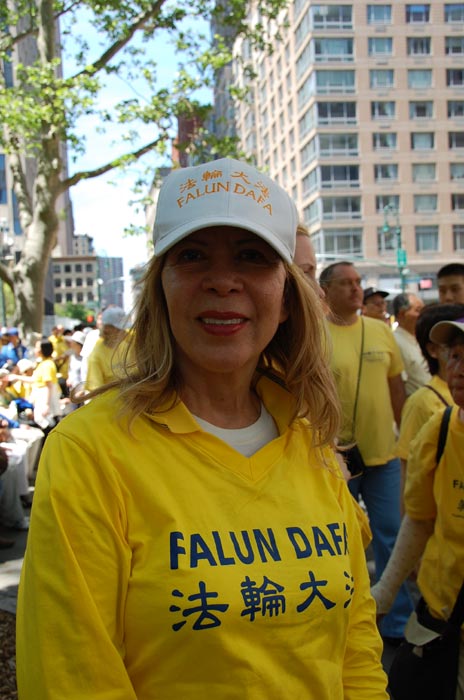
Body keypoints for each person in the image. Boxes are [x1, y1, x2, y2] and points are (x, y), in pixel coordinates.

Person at [17, 158, 388, 699]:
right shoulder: (90, 451)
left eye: (252, 257)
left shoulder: (310, 440)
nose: (222, 281)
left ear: (286, 298)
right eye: (192, 256)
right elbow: (68, 674)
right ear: (161, 289)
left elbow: (355, 644)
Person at [319, 261, 412, 645]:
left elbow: (396, 389)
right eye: (346, 283)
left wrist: (406, 439)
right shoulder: (315, 334)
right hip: (335, 460)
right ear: (325, 290)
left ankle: (396, 621)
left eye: (358, 282)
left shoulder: (380, 330)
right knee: (339, 540)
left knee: (392, 535)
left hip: (383, 456)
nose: (356, 289)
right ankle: (342, 620)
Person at [371, 316, 464, 698]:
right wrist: (385, 591)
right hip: (443, 619)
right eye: (455, 356)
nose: (459, 369)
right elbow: (420, 520)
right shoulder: (440, 429)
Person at [396, 303, 464, 500]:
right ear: (433, 350)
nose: (460, 369)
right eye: (455, 354)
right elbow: (409, 475)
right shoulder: (422, 404)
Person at [392, 292, 430, 396]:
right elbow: (398, 385)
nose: (423, 315)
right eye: (418, 310)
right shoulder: (394, 341)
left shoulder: (420, 338)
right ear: (402, 314)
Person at [84, 306, 130, 392]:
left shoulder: (126, 345)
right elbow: (97, 391)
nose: (125, 332)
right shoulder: (96, 356)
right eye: (120, 329)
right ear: (107, 328)